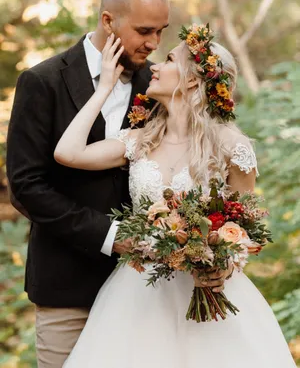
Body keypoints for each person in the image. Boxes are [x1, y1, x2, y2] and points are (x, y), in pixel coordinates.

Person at [54, 24, 296, 367]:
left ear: (194, 79)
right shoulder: (138, 141)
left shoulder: (231, 147)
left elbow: (245, 230)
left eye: (168, 59)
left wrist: (221, 267)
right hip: (137, 296)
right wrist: (104, 88)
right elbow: (68, 153)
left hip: (209, 298)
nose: (155, 65)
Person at [6, 0, 172, 368]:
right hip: (67, 289)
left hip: (145, 291)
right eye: (144, 30)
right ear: (107, 20)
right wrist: (110, 235)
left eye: (161, 31)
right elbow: (26, 187)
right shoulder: (42, 82)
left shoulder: (159, 85)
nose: (153, 43)